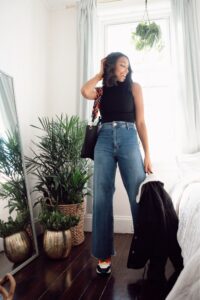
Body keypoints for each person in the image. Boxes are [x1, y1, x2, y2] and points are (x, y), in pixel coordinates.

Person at [81, 52, 153, 275]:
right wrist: (100, 73)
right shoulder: (102, 90)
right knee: (102, 195)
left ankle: (147, 250)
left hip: (128, 136)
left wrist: (148, 153)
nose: (126, 69)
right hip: (103, 139)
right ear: (111, 66)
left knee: (137, 193)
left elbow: (140, 121)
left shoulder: (135, 88)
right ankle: (103, 255)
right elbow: (85, 91)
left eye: (128, 66)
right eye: (122, 65)